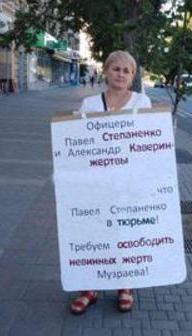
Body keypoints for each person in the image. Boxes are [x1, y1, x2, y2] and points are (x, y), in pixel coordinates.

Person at [71, 50, 151, 315]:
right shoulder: (90, 104)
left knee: (125, 234)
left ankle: (124, 285)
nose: (120, 74)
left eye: (126, 71)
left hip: (128, 185)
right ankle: (90, 287)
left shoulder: (143, 102)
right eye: (116, 69)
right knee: (94, 234)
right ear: (105, 71)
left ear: (133, 76)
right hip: (95, 183)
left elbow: (150, 144)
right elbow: (78, 144)